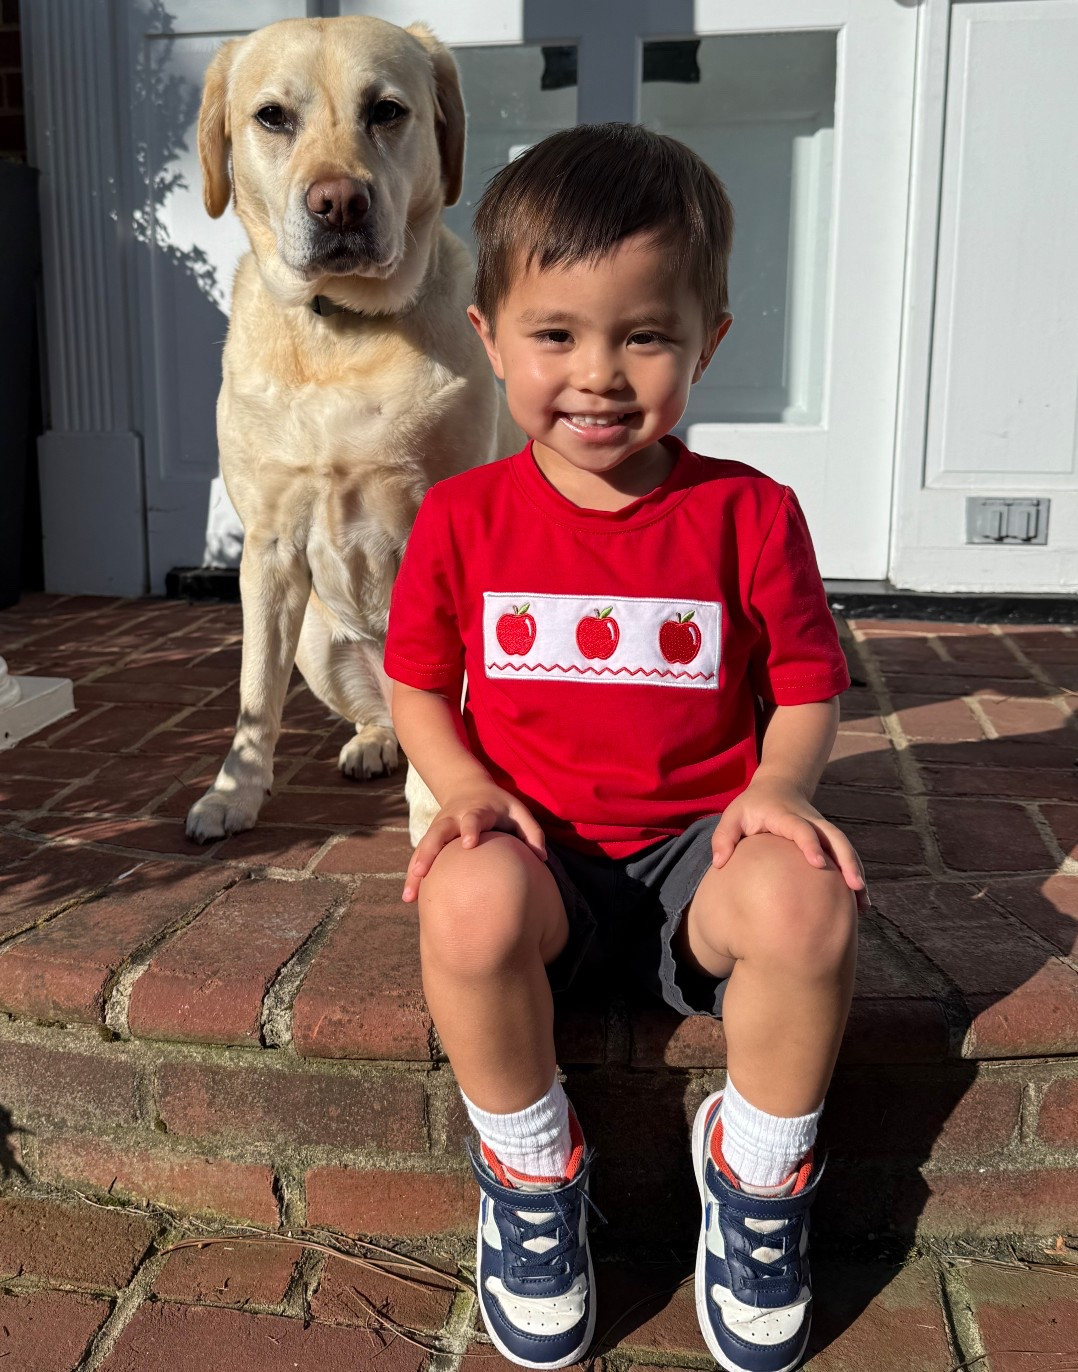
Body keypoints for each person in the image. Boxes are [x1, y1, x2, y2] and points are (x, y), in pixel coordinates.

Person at [383, 122, 865, 1372]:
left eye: (643, 335)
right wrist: (465, 786)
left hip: (697, 861)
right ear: (488, 337)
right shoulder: (462, 515)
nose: (597, 374)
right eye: (556, 334)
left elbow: (810, 682)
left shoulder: (748, 512)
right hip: (539, 859)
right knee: (465, 897)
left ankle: (756, 1178)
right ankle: (531, 1165)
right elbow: (417, 683)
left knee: (807, 900)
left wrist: (775, 784)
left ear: (705, 340)